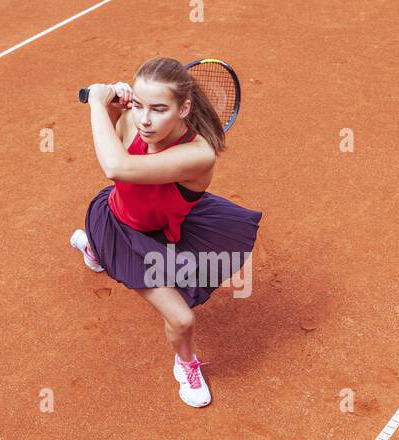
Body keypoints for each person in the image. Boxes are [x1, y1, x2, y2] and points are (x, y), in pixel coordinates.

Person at [71, 56, 262, 407]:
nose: (145, 119)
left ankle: (184, 363)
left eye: (158, 109)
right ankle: (96, 245)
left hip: (162, 230)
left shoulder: (198, 155)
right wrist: (115, 112)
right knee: (179, 313)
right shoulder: (133, 120)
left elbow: (116, 166)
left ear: (184, 107)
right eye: (139, 105)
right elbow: (114, 151)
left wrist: (97, 103)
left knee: (181, 319)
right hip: (116, 220)